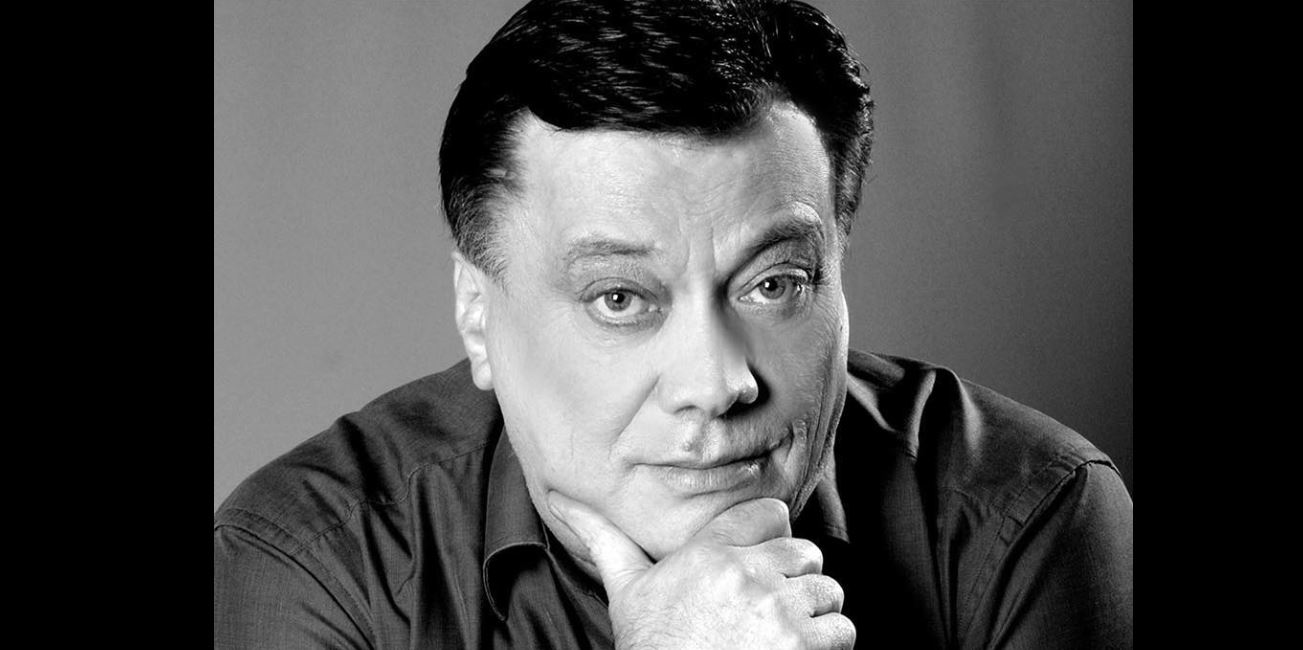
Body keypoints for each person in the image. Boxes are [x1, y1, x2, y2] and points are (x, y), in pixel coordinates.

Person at [213, 0, 1133, 648]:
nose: (718, 383)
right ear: (477, 314)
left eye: (773, 284)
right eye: (620, 298)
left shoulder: (1028, 518)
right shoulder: (310, 563)